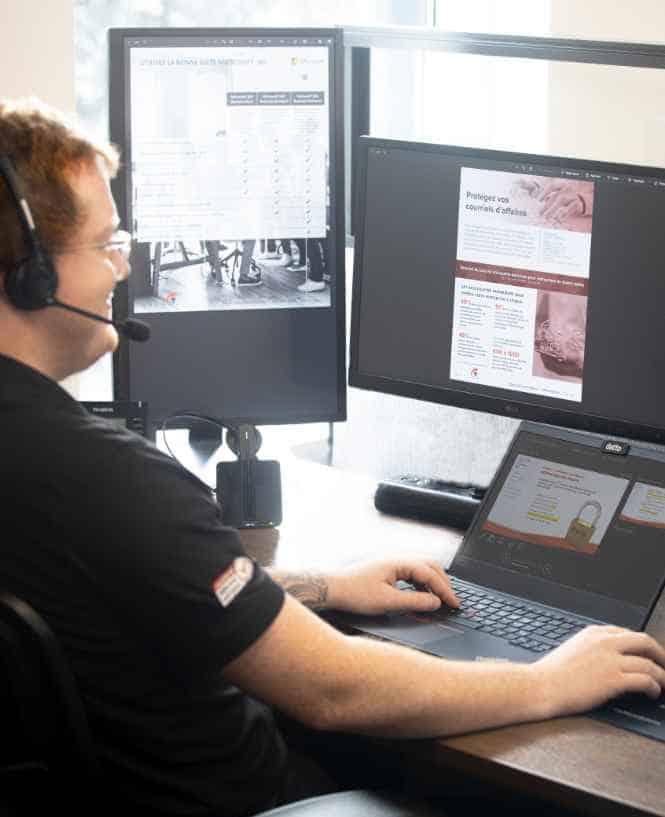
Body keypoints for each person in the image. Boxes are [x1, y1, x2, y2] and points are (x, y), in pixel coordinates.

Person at [2, 98, 665, 817]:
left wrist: (325, 588)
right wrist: (549, 679)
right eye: (105, 244)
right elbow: (335, 687)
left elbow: (162, 589)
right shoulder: (109, 479)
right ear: (31, 276)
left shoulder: (43, 458)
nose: (122, 266)